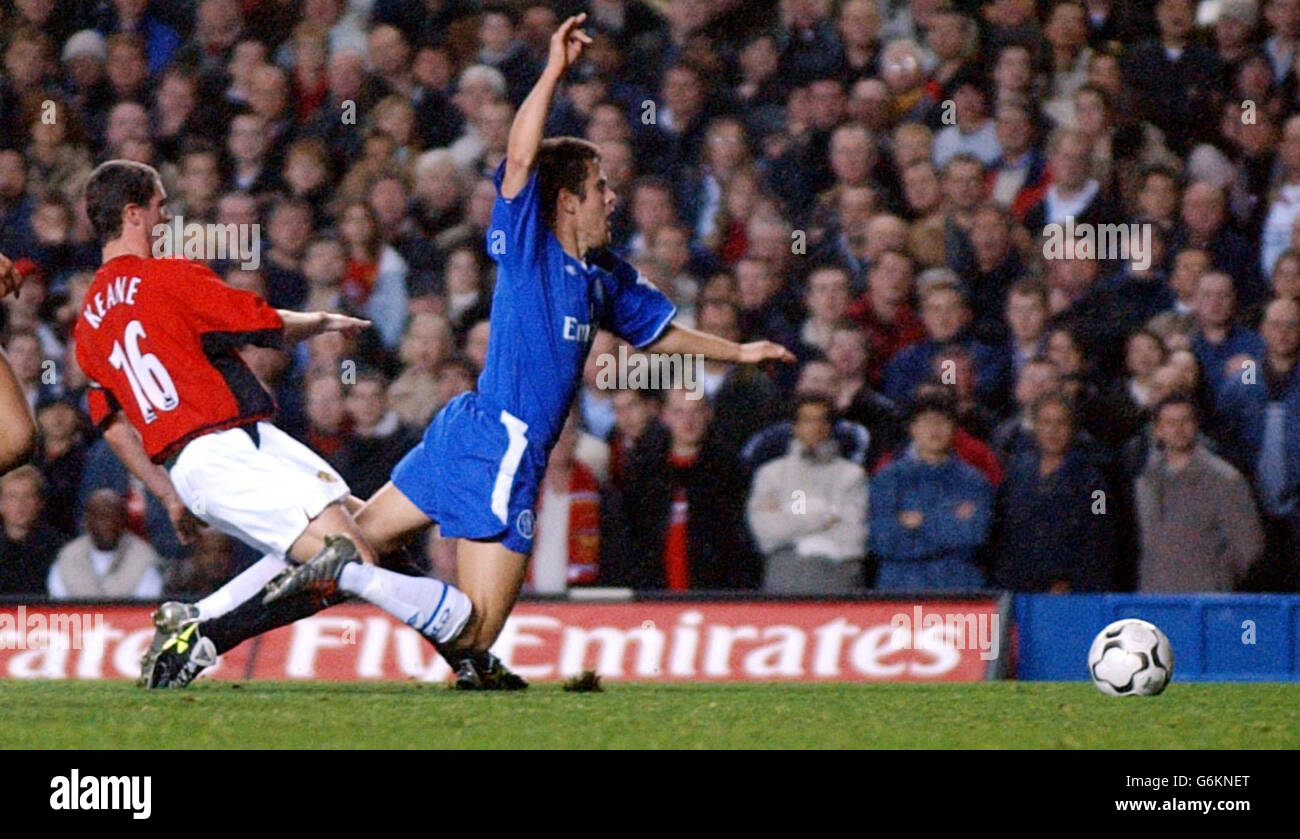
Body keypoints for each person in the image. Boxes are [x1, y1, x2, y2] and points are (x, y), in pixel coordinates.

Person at [162, 16, 794, 689]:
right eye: (600, 188)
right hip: (507, 445)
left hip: (467, 426)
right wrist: (553, 71)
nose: (613, 197)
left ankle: (203, 632)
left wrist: (740, 351)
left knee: (360, 540)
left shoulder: (606, 274)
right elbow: (522, 159)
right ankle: (364, 587)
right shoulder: (531, 242)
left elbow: (657, 334)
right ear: (566, 202)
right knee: (475, 629)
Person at [72, 158, 475, 688]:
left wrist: (166, 493)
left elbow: (112, 422)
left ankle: (466, 658)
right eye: (158, 206)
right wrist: (323, 321)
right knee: (347, 557)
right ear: (131, 214)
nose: (165, 216)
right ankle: (443, 618)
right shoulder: (166, 275)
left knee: (377, 533)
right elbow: (262, 323)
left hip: (241, 444)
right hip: (217, 450)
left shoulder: (87, 328)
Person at [1134, 395, 1264, 592]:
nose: (1178, 429)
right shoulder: (1145, 479)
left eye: (1185, 421)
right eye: (1170, 423)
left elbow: (1248, 545)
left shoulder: (1224, 479)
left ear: (1196, 425)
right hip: (1154, 597)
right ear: (1157, 430)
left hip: (1207, 599)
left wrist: (1219, 578)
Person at [869, 388, 993, 590]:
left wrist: (919, 521)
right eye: (927, 421)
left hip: (959, 589)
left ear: (954, 429)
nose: (935, 429)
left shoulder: (974, 481)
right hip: (901, 588)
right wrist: (948, 520)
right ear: (912, 429)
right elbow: (883, 540)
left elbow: (973, 537)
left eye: (943, 421)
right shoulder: (888, 478)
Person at [747, 395, 868, 593]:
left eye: (823, 420)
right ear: (795, 426)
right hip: (784, 579)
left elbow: (854, 538)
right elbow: (766, 532)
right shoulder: (771, 474)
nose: (816, 427)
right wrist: (826, 516)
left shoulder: (851, 475)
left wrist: (791, 519)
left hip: (839, 580)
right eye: (808, 420)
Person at [47, 488, 164, 599]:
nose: (108, 524)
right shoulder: (67, 557)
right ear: (86, 522)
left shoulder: (143, 557)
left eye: (114, 516)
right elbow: (59, 608)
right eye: (101, 517)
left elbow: (145, 609)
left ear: (124, 520)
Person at [0, 254, 37, 473]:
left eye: (33, 353)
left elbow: (17, 440)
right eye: (21, 352)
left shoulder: (48, 376)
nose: (27, 359)